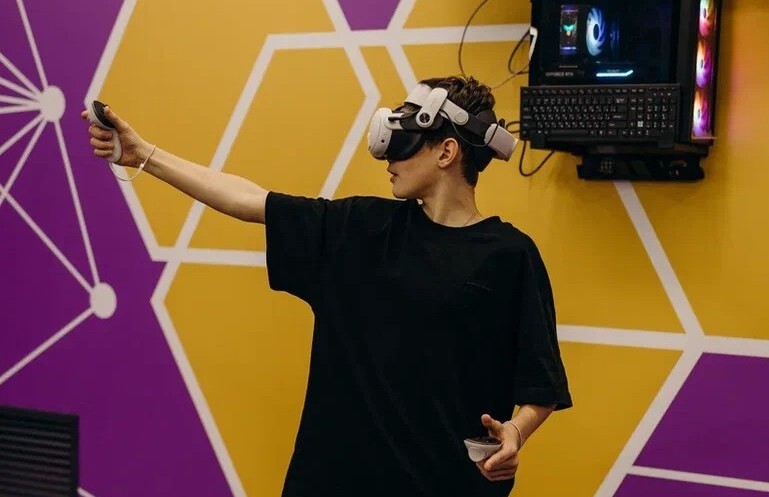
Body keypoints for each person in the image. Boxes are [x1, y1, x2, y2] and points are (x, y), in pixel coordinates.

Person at [83, 75, 571, 497]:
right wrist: (145, 155)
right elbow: (250, 200)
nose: (389, 156)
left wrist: (516, 432)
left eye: (407, 140)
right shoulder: (361, 228)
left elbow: (541, 383)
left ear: (447, 151)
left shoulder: (510, 256)